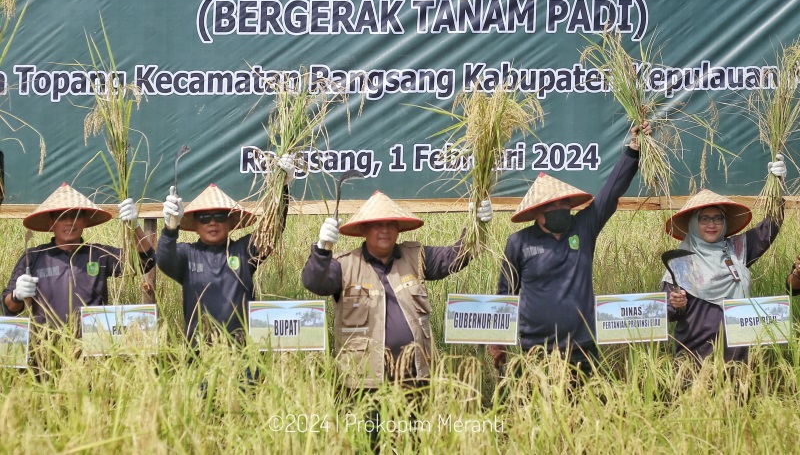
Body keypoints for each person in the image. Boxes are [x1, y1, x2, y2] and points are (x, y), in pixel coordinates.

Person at [488, 122, 650, 375]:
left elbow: (611, 192)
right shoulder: (519, 242)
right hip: (535, 351)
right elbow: (504, 295)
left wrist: (633, 151)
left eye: (564, 204)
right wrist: (497, 340)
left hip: (582, 348)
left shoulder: (583, 228)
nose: (559, 209)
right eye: (551, 206)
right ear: (536, 212)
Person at [302, 190, 493, 388]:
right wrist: (322, 249)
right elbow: (314, 282)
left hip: (415, 376)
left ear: (398, 229)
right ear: (364, 230)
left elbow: (457, 256)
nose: (385, 230)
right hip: (364, 382)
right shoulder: (344, 265)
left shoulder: (417, 257)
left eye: (390, 224)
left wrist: (476, 224)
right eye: (377, 225)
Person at [663, 159, 789, 363]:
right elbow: (667, 312)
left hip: (736, 357)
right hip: (694, 357)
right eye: (704, 218)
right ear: (694, 224)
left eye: (717, 218)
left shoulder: (737, 250)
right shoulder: (679, 262)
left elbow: (769, 228)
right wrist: (676, 304)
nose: (711, 224)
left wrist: (778, 187)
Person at [157, 157, 294, 344]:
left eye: (220, 216)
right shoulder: (186, 255)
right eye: (205, 217)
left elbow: (272, 229)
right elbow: (164, 260)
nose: (212, 222)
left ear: (231, 221)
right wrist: (170, 229)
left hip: (243, 354)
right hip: (199, 357)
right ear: (195, 225)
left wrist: (282, 187)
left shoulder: (245, 252)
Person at [2, 183, 155, 327]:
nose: (70, 222)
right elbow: (8, 308)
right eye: (62, 216)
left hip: (93, 347)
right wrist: (17, 295)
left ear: (85, 220)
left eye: (76, 216)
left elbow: (145, 262)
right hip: (46, 350)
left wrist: (134, 226)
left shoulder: (99, 255)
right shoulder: (33, 257)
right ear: (51, 223)